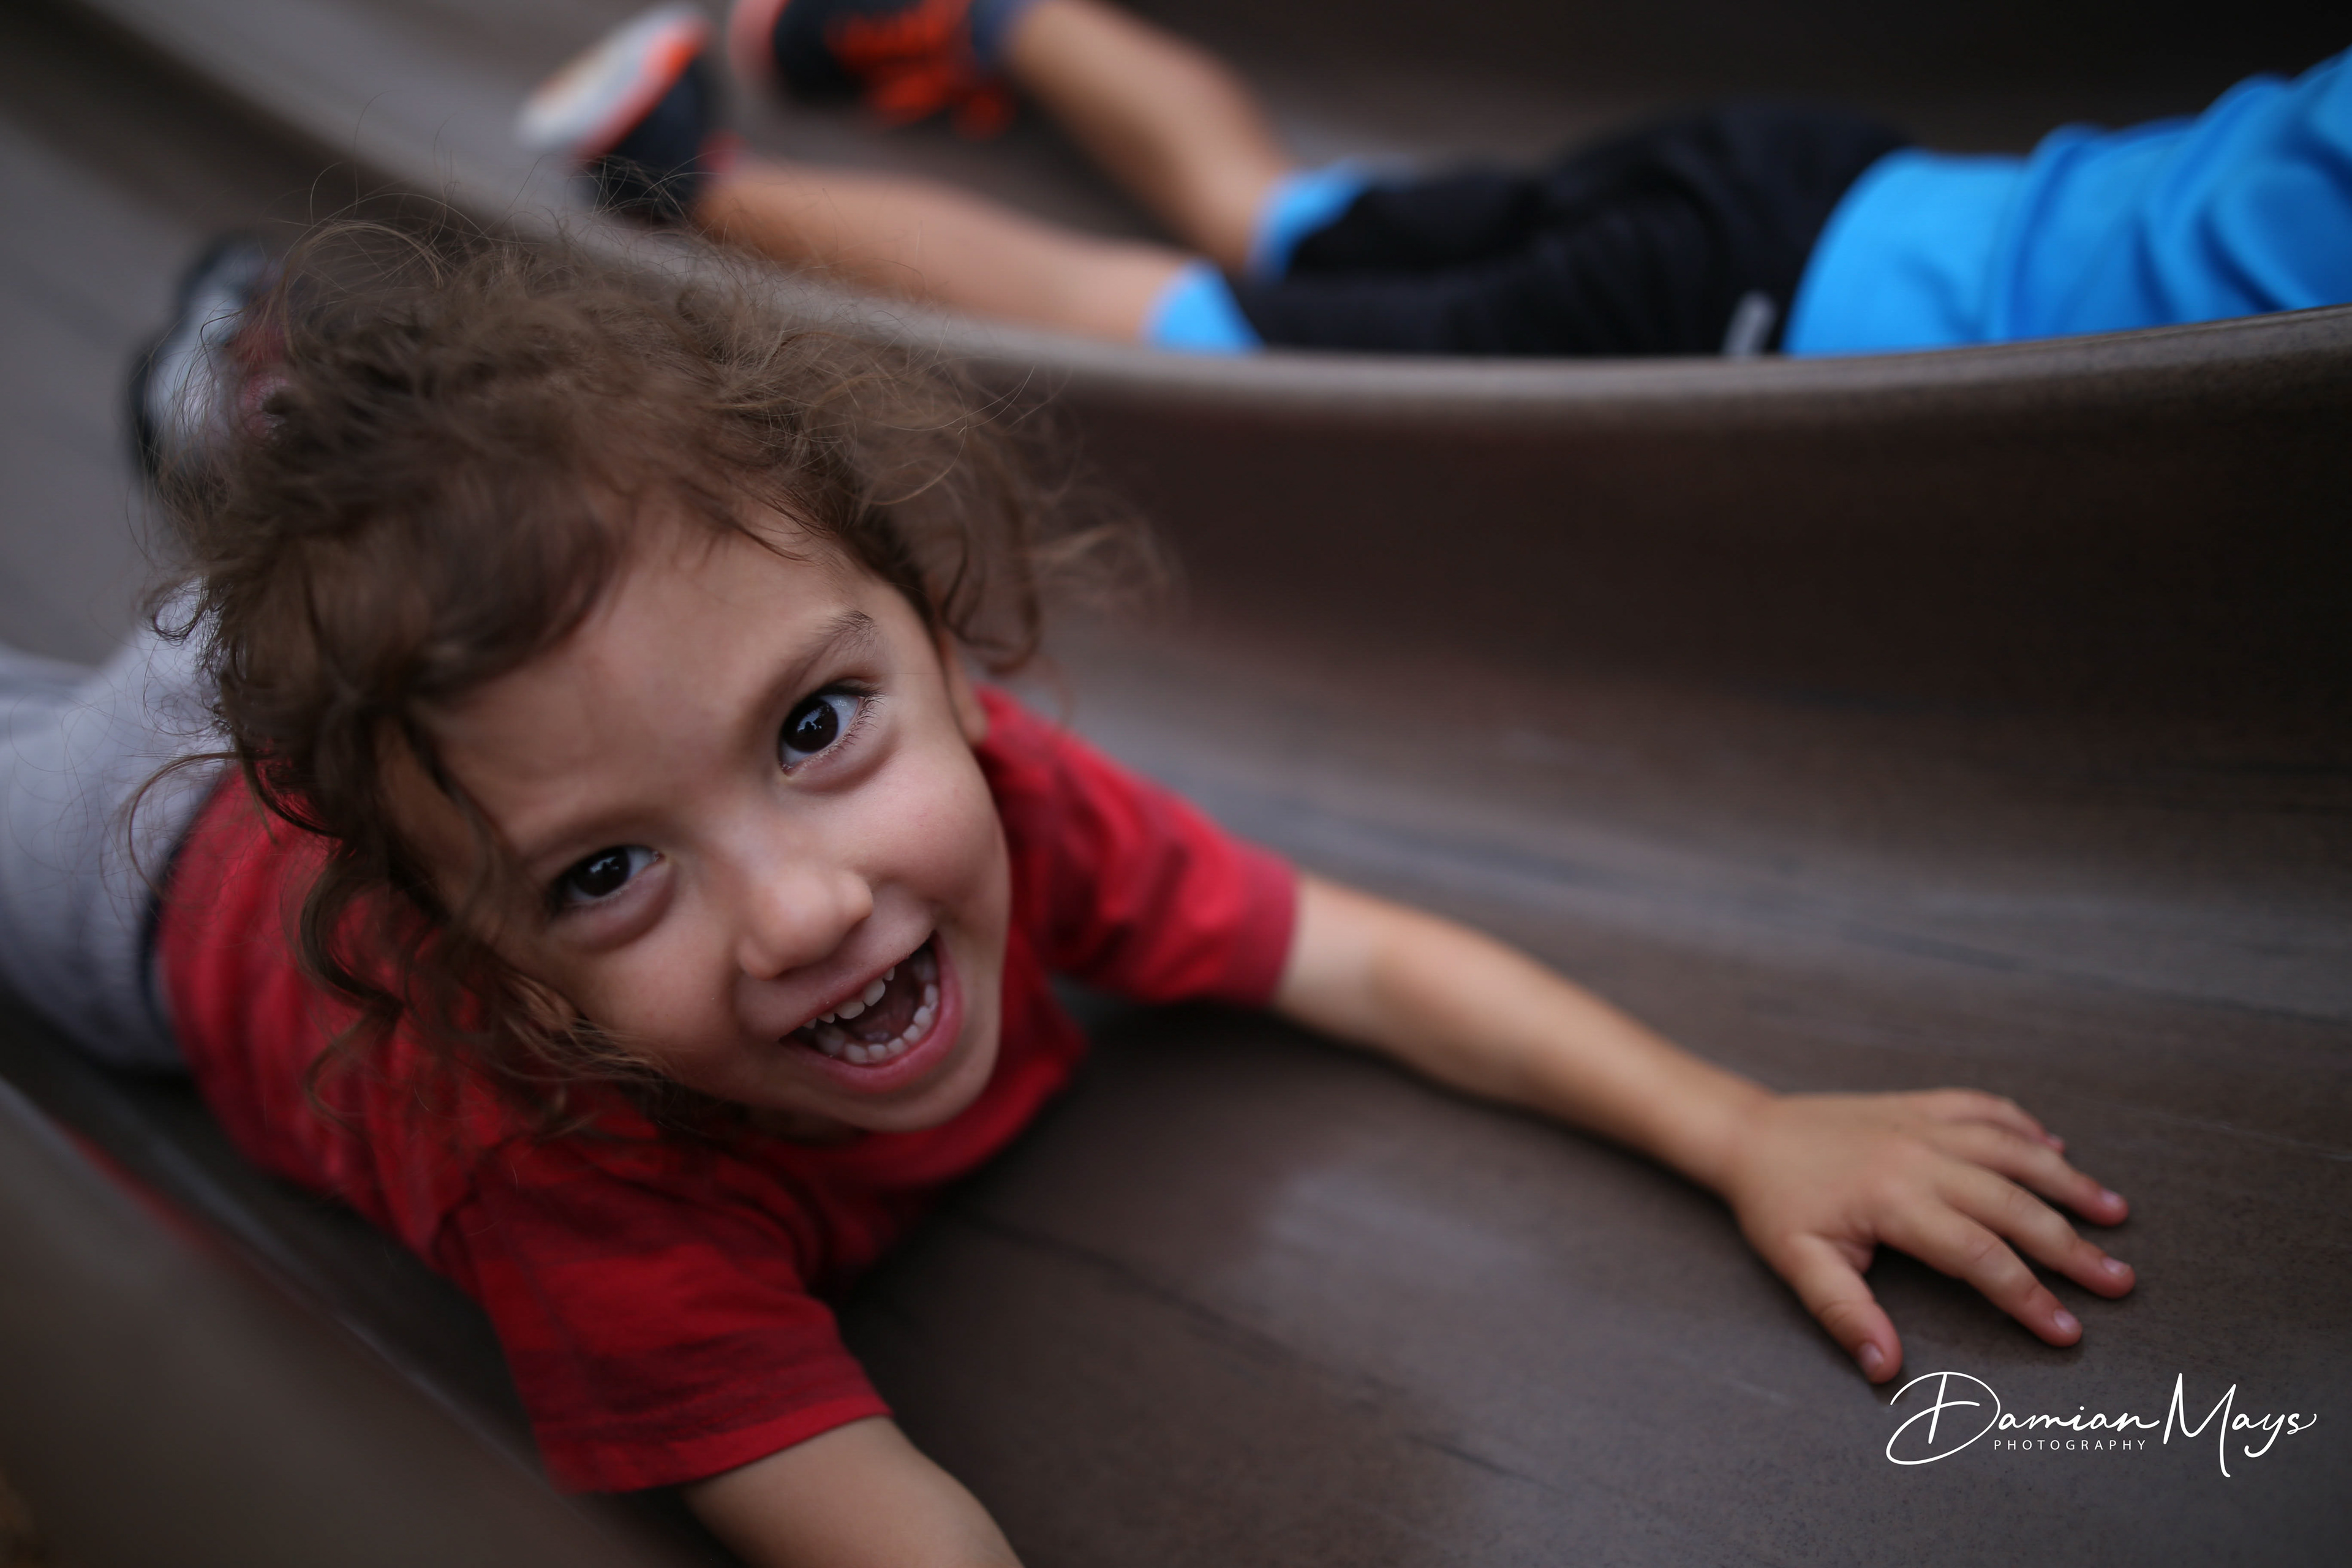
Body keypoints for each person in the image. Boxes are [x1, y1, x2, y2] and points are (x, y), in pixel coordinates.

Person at [2, 227, 2135, 1568]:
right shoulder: (565, 1158)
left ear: (943, 648)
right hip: (141, 862)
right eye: (612, 877)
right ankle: (246, 414)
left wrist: (1741, 1125)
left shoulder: (1003, 793)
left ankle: (252, 389)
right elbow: (888, 1532)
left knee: (358, 536)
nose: (803, 909)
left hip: (436, 680)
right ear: (498, 971)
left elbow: (1364, 961)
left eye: (815, 727)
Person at [518, 0, 2351, 358]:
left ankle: (967, 19)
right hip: (1729, 302)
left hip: (1835, 185)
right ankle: (679, 171)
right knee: (1197, 324)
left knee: (1292, 216)